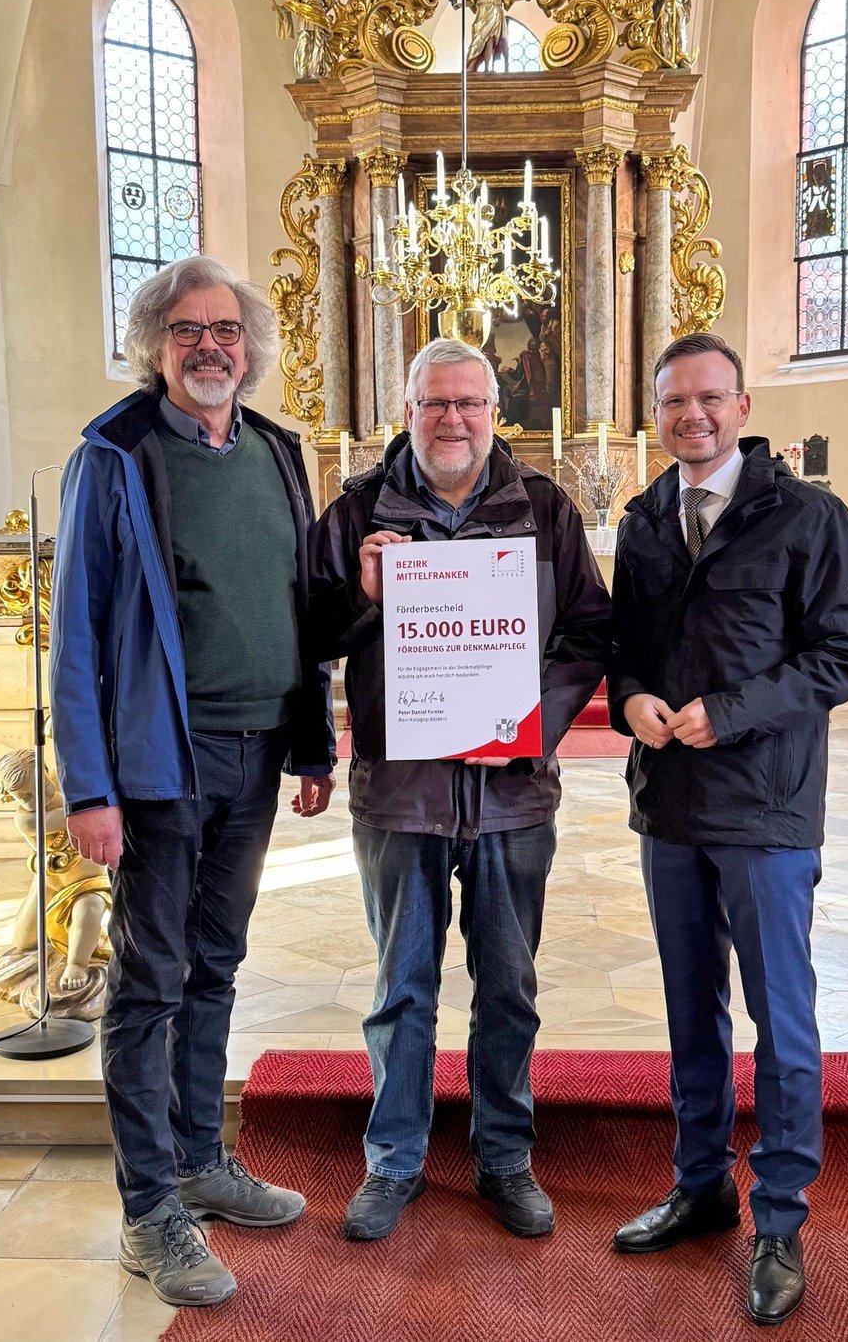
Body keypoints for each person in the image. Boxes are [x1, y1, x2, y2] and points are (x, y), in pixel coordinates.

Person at [49, 255, 335, 1308]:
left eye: (225, 329)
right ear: (154, 345)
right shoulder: (112, 454)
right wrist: (89, 787)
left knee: (215, 961)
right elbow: (76, 632)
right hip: (160, 763)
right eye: (186, 330)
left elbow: (296, 604)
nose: (209, 346)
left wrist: (311, 742)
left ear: (249, 346)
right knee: (149, 982)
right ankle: (147, 1209)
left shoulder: (275, 450)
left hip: (259, 751)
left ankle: (200, 1160)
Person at [309, 337, 611, 1243]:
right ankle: (394, 1160)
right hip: (400, 793)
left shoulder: (546, 510)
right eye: (435, 403)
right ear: (407, 412)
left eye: (469, 404)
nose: (453, 419)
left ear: (494, 413)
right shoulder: (357, 509)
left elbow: (589, 634)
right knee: (402, 985)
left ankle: (505, 1157)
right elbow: (308, 628)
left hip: (513, 795)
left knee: (509, 984)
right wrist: (361, 596)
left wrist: (527, 725)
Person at [608, 333, 848, 1327]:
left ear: (742, 403)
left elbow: (847, 655)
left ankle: (777, 1217)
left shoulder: (807, 514)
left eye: (710, 398)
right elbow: (622, 651)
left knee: (783, 1019)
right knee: (689, 1013)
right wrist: (630, 695)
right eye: (675, 400)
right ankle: (699, 1184)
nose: (693, 415)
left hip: (765, 804)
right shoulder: (641, 521)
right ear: (657, 410)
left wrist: (735, 707)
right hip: (667, 806)